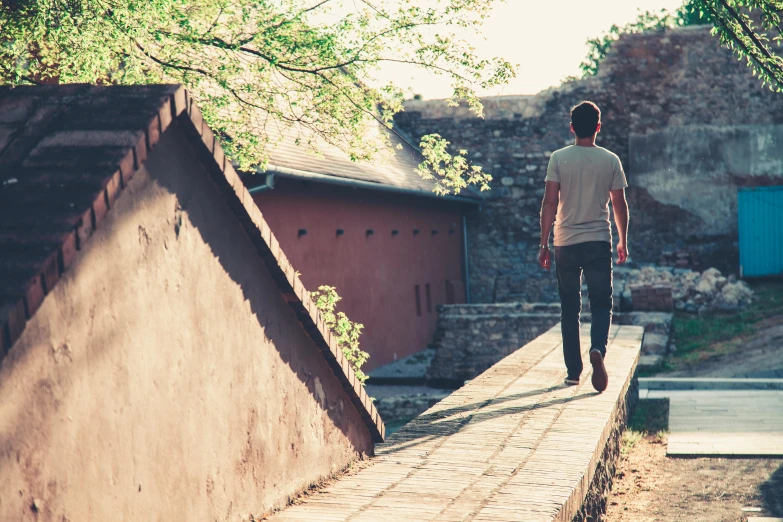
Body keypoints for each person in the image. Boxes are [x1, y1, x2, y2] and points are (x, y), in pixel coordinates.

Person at [537, 101, 629, 393]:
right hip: (599, 241)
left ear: (572, 127)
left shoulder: (558, 158)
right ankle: (598, 348)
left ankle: (573, 372)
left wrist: (543, 243)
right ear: (599, 127)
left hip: (565, 242)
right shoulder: (610, 159)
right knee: (601, 303)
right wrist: (623, 239)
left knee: (570, 308)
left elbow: (549, 202)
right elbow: (619, 203)